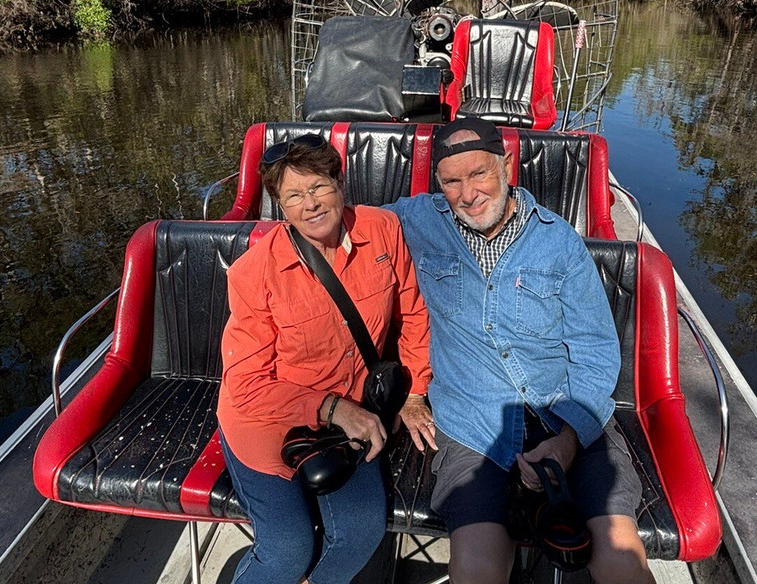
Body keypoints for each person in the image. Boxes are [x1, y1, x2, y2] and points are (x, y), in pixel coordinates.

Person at [387, 118, 654, 584]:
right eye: (452, 181)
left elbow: (594, 351)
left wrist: (570, 439)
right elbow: (336, 217)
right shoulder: (418, 220)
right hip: (474, 426)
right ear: (438, 183)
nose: (468, 194)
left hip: (567, 414)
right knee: (476, 570)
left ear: (507, 166)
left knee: (621, 565)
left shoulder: (559, 243)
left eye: (479, 174)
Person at [216, 133, 435, 584]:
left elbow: (413, 313)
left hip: (347, 427)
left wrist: (414, 395)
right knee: (286, 553)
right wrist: (333, 407)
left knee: (359, 532)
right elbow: (247, 386)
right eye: (293, 195)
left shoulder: (382, 231)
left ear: (340, 182)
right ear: (280, 205)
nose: (310, 204)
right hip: (266, 423)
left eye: (318, 187)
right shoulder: (253, 274)